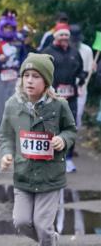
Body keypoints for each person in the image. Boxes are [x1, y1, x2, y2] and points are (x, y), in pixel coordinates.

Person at [0, 53, 76, 246]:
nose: (30, 81)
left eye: (36, 76)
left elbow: (71, 130)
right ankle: (47, 242)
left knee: (42, 225)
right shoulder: (13, 105)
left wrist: (63, 140)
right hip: (23, 176)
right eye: (26, 76)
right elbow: (6, 135)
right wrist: (6, 154)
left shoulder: (59, 105)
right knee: (21, 222)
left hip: (50, 177)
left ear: (46, 82)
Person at [42, 23, 86, 172]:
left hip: (70, 96)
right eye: (61, 35)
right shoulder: (47, 52)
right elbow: (39, 72)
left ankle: (68, 158)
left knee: (70, 125)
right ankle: (51, 156)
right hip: (52, 96)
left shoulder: (74, 52)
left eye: (67, 35)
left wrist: (81, 79)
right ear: (56, 36)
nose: (65, 38)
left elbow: (81, 71)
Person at [0, 14, 29, 132]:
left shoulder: (19, 40)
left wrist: (24, 71)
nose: (8, 30)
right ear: (2, 28)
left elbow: (24, 57)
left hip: (15, 76)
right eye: (6, 28)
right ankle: (0, 131)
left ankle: (11, 133)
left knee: (15, 105)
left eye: (11, 28)